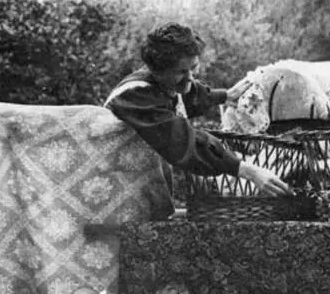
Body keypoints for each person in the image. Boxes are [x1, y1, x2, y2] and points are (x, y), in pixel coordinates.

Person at [103, 22, 291, 198]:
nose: (190, 77)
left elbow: (188, 94)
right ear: (157, 70)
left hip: (133, 178)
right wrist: (248, 171)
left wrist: (226, 96)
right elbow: (183, 142)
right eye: (181, 72)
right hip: (110, 184)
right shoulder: (136, 95)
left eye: (193, 67)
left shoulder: (163, 83)